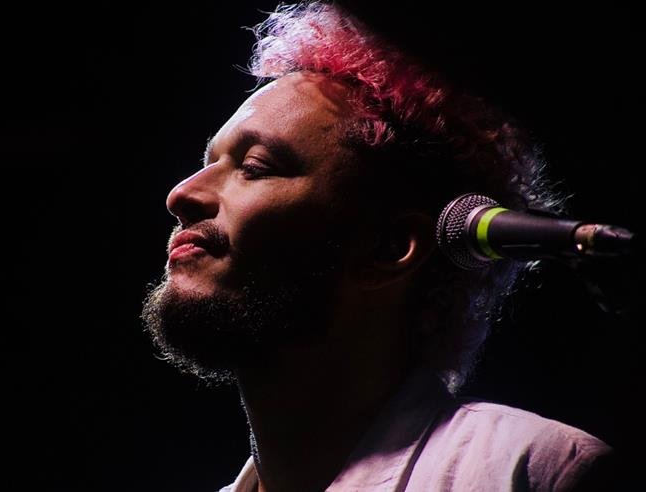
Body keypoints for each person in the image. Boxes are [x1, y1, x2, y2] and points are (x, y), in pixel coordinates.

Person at [141, 2, 614, 490]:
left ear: (389, 249)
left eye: (255, 167)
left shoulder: (538, 470)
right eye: (208, 162)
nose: (182, 194)